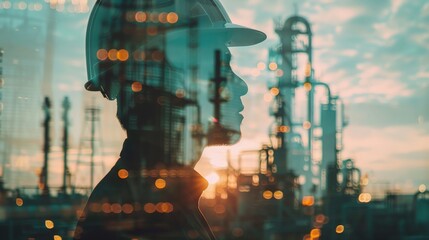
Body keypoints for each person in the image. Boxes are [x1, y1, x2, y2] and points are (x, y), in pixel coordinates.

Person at [74, 0, 266, 239]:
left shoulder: (164, 202)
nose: (242, 86)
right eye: (221, 66)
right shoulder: (142, 218)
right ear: (168, 85)